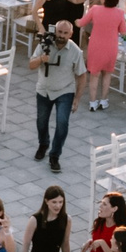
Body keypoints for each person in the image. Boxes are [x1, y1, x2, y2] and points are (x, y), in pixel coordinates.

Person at [28, 20, 82, 171]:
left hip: (65, 91)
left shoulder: (75, 51)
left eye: (65, 33)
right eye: (59, 32)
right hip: (44, 89)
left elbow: (82, 75)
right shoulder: (45, 44)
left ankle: (55, 155)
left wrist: (77, 99)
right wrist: (41, 59)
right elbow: (31, 65)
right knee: (41, 121)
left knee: (62, 123)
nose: (61, 36)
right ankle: (43, 144)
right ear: (55, 31)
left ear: (71, 34)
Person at [80, 0, 126, 112]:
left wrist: (75, 21)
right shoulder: (120, 13)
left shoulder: (95, 10)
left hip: (96, 46)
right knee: (107, 74)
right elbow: (123, 31)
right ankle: (104, 100)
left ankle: (92, 102)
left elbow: (82, 23)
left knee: (94, 76)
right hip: (111, 47)